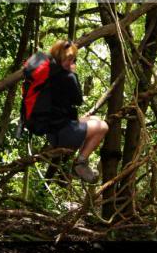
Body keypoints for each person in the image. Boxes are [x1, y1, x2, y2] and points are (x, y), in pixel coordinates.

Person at [30, 40, 109, 184]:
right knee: (103, 126)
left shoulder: (47, 71)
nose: (71, 63)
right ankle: (80, 163)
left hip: (53, 133)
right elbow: (78, 100)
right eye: (69, 59)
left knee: (95, 118)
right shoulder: (67, 76)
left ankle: (74, 162)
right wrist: (74, 74)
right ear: (61, 57)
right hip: (64, 135)